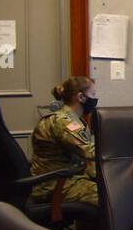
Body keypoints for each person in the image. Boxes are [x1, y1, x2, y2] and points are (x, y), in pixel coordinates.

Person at [29, 76, 98, 206]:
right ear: (81, 97)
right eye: (93, 94)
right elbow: (89, 152)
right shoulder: (64, 122)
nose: (95, 98)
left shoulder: (72, 119)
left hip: (62, 179)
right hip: (55, 185)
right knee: (111, 195)